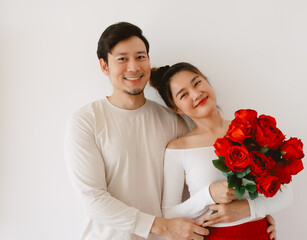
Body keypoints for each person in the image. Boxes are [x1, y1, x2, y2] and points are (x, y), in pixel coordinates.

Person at [64, 22, 277, 240]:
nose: (133, 67)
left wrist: (253, 213)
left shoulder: (172, 120)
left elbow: (195, 184)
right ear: (104, 66)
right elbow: (92, 198)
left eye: (140, 57)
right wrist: (163, 226)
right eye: (122, 59)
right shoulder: (86, 120)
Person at [150, 63, 293, 240]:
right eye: (184, 94)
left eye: (197, 83)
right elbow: (169, 215)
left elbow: (285, 194)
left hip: (259, 234)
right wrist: (208, 194)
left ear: (207, 82)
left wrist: (247, 209)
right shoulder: (178, 149)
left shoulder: (252, 130)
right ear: (176, 108)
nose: (196, 94)